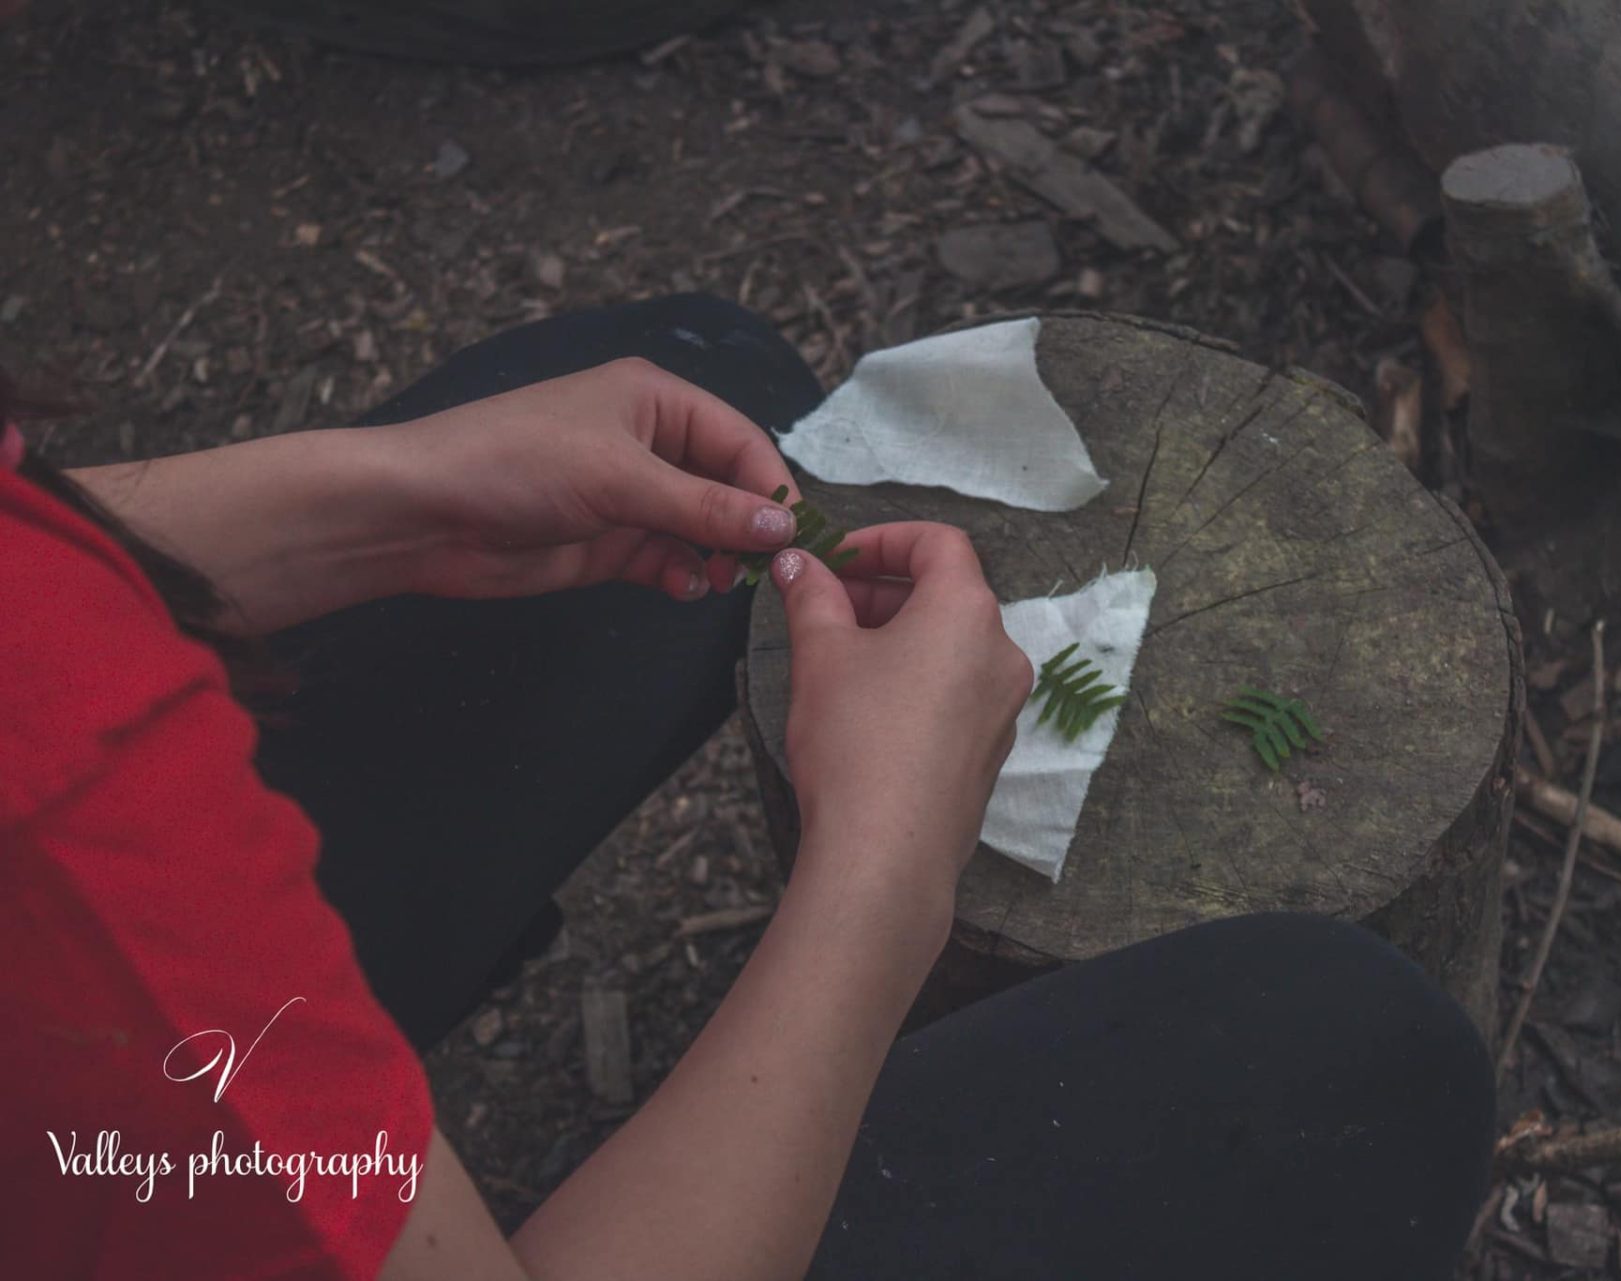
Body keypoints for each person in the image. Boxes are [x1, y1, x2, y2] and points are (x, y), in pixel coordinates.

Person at [1, 294, 1494, 1280]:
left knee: (712, 380)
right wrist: (883, 875)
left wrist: (389, 500)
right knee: (1340, 1059)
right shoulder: (71, 829)